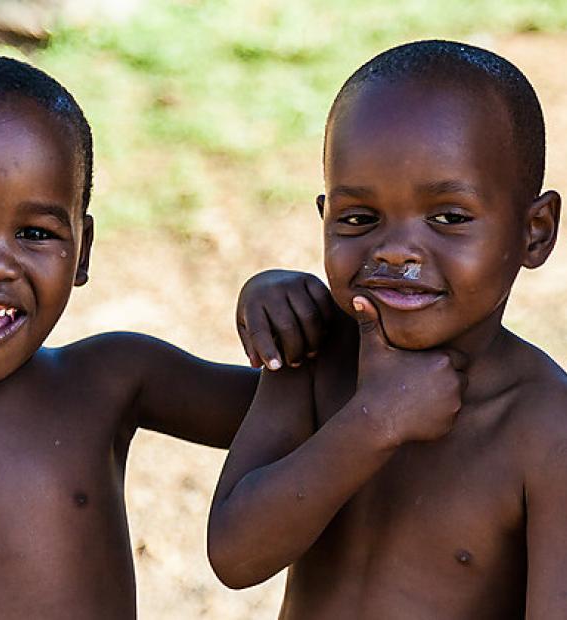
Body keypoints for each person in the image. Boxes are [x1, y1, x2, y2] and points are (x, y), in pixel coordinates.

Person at [0, 54, 330, 618]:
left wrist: (281, 310)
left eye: (35, 232)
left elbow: (297, 411)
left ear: (82, 249)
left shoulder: (113, 377)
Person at [207, 39, 567, 618]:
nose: (396, 251)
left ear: (535, 231)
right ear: (325, 217)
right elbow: (234, 556)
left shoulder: (546, 427)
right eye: (360, 219)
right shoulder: (315, 357)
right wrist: (374, 422)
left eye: (449, 217)